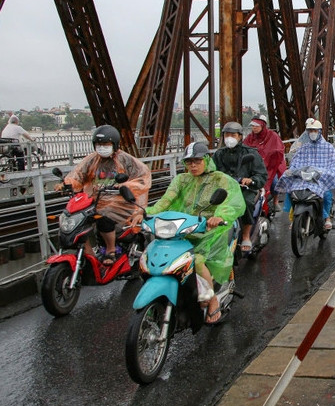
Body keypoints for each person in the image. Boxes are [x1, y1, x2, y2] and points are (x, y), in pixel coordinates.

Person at [137, 142, 245, 324]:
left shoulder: (221, 179)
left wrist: (218, 216)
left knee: (198, 259)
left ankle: (211, 300)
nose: (193, 166)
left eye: (197, 161)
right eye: (189, 162)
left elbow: (232, 201)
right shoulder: (181, 180)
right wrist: (146, 213)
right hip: (183, 226)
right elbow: (166, 201)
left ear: (206, 160)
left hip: (210, 229)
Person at [58, 125, 151, 266]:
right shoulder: (91, 160)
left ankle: (110, 250)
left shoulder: (126, 160)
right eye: (99, 144)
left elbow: (143, 177)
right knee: (77, 219)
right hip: (95, 200)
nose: (102, 147)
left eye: (105, 144)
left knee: (103, 215)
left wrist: (126, 186)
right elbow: (78, 175)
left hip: (120, 201)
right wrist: (66, 183)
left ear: (114, 145)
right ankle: (89, 254)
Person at [278, 120, 335, 230]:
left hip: (320, 178)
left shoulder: (328, 148)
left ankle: (327, 218)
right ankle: (295, 217)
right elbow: (296, 162)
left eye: (314, 130)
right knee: (290, 189)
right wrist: (292, 170)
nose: (312, 133)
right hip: (304, 178)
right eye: (310, 130)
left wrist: (328, 172)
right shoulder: (303, 148)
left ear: (319, 132)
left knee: (327, 194)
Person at [212, 121, 268, 253]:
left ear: (240, 137)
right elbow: (211, 170)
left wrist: (251, 180)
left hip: (244, 189)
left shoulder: (251, 153)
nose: (229, 138)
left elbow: (261, 174)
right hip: (225, 189)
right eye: (226, 135)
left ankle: (246, 235)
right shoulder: (219, 154)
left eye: (233, 135)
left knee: (246, 203)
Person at [243, 114, 286, 212]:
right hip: (253, 167)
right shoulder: (250, 138)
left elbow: (279, 150)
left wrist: (269, 157)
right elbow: (244, 149)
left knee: (275, 183)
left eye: (256, 125)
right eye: (253, 126)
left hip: (270, 167)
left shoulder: (273, 136)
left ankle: (275, 201)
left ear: (263, 125)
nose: (254, 128)